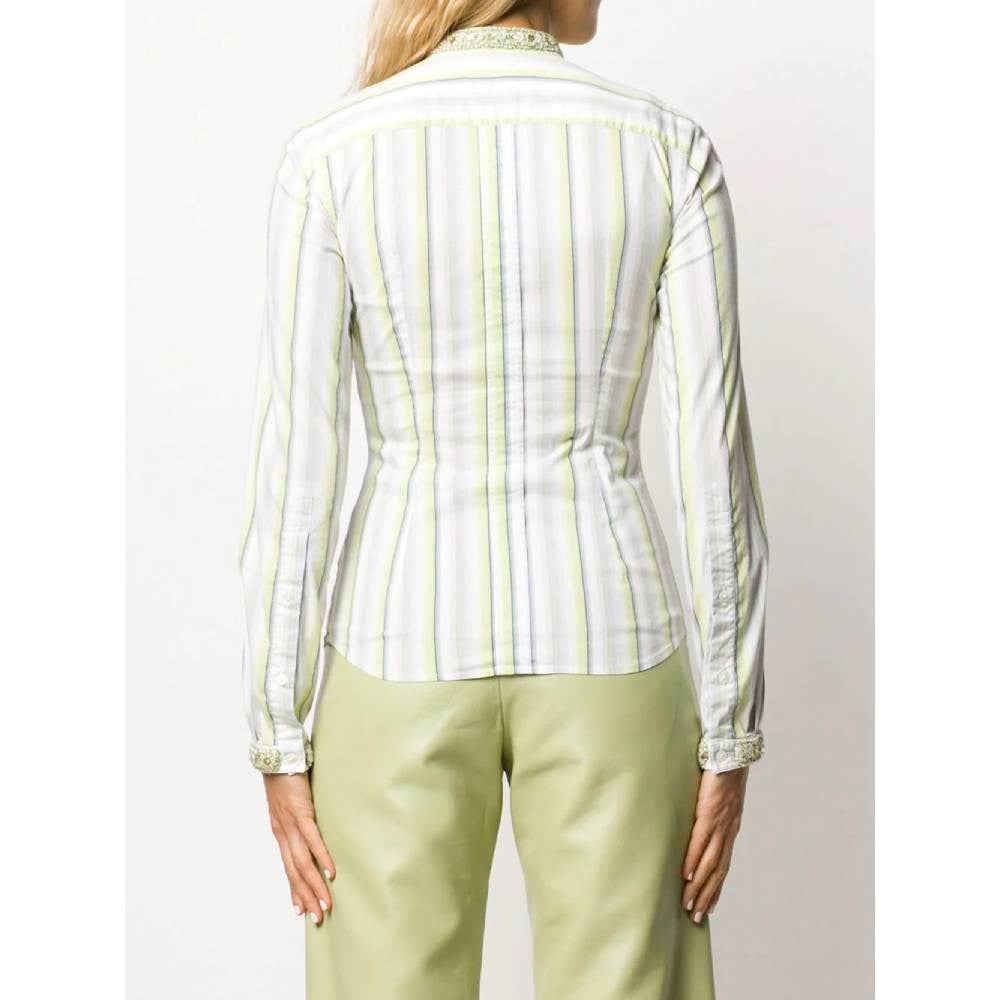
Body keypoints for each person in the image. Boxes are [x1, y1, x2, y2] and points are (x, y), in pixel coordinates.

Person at [236, 1, 770, 996]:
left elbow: (297, 461)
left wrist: (278, 727)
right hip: (613, 635)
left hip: (394, 639)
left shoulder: (332, 155)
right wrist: (729, 726)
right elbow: (713, 456)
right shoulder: (664, 148)